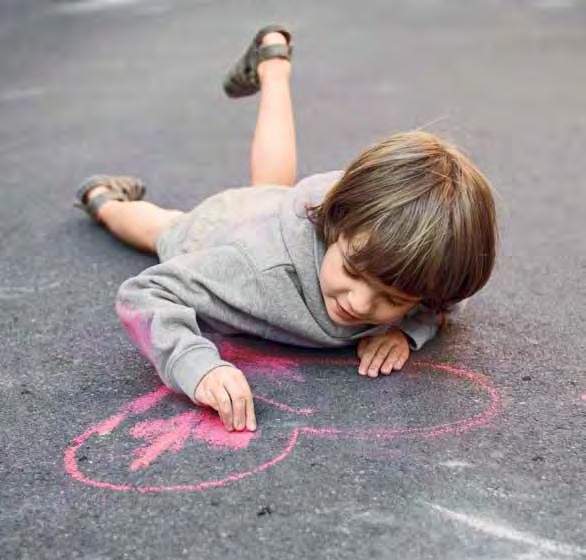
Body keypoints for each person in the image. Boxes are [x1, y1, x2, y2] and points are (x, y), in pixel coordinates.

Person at [74, 25, 498, 434]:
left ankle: (273, 64)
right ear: (336, 223)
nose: (361, 302)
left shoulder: (402, 257)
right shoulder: (250, 270)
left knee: (273, 189)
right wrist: (194, 363)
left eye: (393, 298)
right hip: (222, 227)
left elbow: (445, 300)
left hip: (279, 210)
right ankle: (104, 199)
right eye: (352, 272)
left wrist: (406, 330)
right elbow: (144, 293)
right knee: (163, 228)